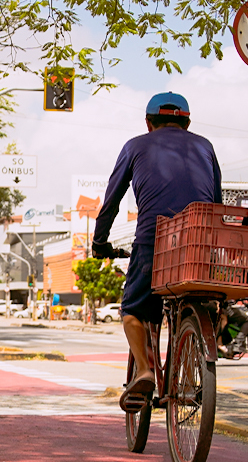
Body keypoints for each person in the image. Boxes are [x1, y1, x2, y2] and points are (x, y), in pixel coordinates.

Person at [92, 91, 223, 410]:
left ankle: (146, 370)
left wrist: (100, 243)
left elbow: (111, 200)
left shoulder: (134, 146)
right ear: (188, 123)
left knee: (133, 310)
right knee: (210, 302)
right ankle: (195, 357)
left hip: (154, 238)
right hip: (200, 239)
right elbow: (217, 200)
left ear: (148, 123)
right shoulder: (205, 146)